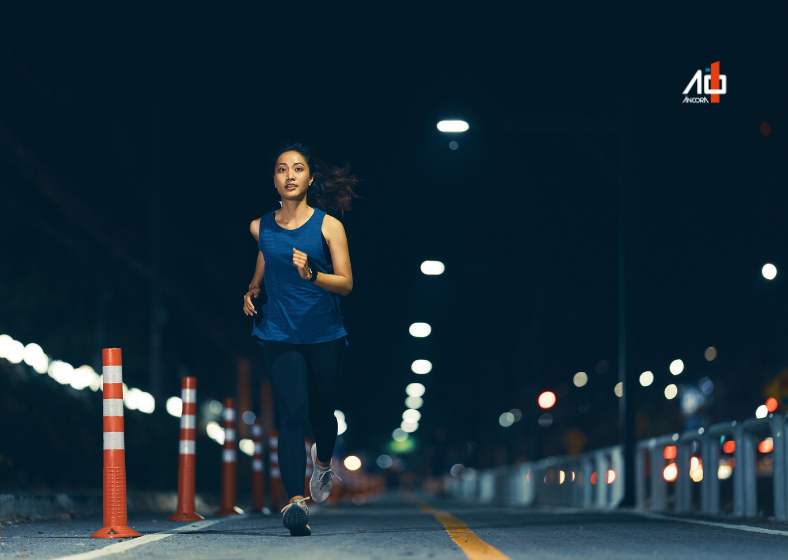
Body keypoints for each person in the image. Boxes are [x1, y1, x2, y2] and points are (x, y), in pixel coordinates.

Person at [242, 142, 358, 536]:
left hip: (324, 333)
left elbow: (345, 284)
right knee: (291, 415)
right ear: (274, 180)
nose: (289, 175)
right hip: (279, 332)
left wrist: (312, 275)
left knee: (322, 416)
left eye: (297, 169)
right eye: (281, 169)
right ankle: (295, 502)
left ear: (310, 179)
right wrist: (254, 288)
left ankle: (322, 461)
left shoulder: (328, 226)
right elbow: (266, 258)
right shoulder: (261, 226)